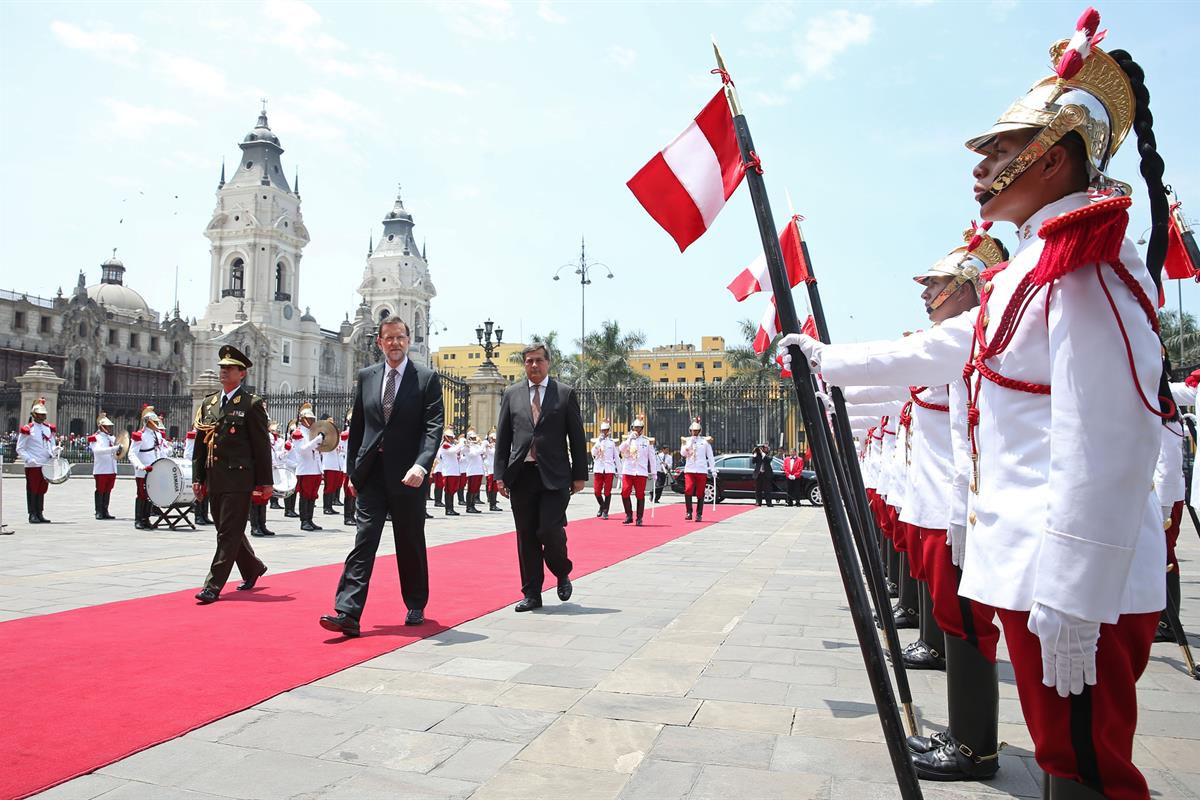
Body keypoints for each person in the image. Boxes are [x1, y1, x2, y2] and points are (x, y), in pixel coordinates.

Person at [789, 22, 1166, 796]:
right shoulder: (1034, 261)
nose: (983, 169)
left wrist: (1074, 582)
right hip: (1035, 563)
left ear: (1053, 156)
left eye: (1000, 152)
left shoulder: (1083, 257)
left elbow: (1109, 434)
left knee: (1091, 769)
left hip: (1069, 571)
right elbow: (943, 347)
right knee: (1065, 761)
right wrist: (826, 359)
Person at [784, 226, 1008, 782]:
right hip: (936, 502)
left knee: (967, 622)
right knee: (955, 615)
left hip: (956, 505)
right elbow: (888, 385)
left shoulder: (966, 330)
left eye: (935, 283)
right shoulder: (960, 334)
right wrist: (825, 374)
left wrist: (824, 360)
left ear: (964, 286)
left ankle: (975, 746)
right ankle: (968, 736)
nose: (925, 292)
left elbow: (902, 361)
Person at [320, 317, 443, 636]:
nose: (395, 343)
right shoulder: (368, 377)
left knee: (410, 540)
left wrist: (421, 464)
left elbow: (433, 428)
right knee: (364, 539)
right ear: (379, 342)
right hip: (372, 474)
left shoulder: (426, 379)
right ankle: (347, 611)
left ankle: (416, 602)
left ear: (409, 340)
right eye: (388, 338)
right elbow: (358, 428)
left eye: (400, 338)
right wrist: (353, 472)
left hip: (408, 476)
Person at [493, 341, 588, 611]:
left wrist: (579, 474)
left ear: (548, 363)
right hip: (521, 475)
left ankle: (562, 570)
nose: (534, 365)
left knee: (548, 529)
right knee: (526, 535)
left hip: (555, 476)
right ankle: (532, 593)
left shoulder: (564, 393)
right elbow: (504, 437)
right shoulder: (512, 394)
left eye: (539, 360)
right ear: (524, 365)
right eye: (529, 361)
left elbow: (577, 437)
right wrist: (500, 474)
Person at [191, 345, 272, 604]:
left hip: (239, 479)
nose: (224, 371)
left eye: (230, 368)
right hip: (215, 477)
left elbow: (261, 446)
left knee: (228, 532)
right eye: (222, 368)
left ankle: (213, 586)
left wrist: (265, 482)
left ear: (242, 374)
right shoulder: (209, 403)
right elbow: (200, 445)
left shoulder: (251, 404)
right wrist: (198, 477)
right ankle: (252, 567)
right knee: (226, 529)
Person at [16, 397, 58, 524]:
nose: (42, 417)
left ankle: (40, 512)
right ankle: (32, 513)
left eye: (43, 414)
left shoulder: (48, 428)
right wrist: (29, 459)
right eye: (39, 414)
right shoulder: (28, 429)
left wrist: (55, 450)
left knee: (42, 489)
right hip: (33, 464)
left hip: (45, 463)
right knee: (32, 489)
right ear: (34, 415)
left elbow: (51, 444)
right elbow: (20, 448)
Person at [128, 405, 166, 530]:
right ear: (148, 422)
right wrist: (140, 466)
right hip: (143, 470)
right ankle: (138, 519)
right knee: (142, 494)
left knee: (151, 495)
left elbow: (160, 451)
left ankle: (146, 518)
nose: (156, 424)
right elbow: (132, 453)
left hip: (154, 469)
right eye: (154, 422)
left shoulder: (158, 435)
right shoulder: (140, 435)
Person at [289, 403, 325, 532]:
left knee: (312, 495)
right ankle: (304, 521)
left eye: (312, 419)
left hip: (314, 468)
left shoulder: (312, 433)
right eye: (309, 419)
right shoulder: (298, 433)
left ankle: (310, 519)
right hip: (305, 469)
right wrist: (316, 441)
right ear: (303, 419)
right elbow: (302, 450)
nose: (311, 421)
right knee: (305, 495)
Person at [618, 416, 655, 526]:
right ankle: (629, 515)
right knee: (625, 492)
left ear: (642, 429)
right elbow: (621, 449)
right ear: (632, 428)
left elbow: (651, 458)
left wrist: (654, 472)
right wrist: (629, 439)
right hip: (628, 470)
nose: (637, 430)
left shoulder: (646, 441)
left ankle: (639, 518)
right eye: (635, 427)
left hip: (641, 471)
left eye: (639, 428)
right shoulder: (628, 440)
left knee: (640, 495)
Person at [680, 417, 715, 521]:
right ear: (690, 431)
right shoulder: (686, 440)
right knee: (688, 489)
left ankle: (699, 514)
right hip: (690, 469)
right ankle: (689, 512)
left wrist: (713, 469)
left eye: (696, 431)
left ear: (699, 431)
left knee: (700, 492)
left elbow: (710, 456)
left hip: (701, 469)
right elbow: (683, 453)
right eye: (692, 431)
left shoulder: (705, 442)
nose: (694, 432)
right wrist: (690, 444)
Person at [88, 411, 119, 520]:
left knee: (108, 490)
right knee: (100, 489)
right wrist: (113, 449)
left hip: (111, 467)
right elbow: (97, 451)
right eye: (108, 426)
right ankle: (98, 511)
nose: (110, 428)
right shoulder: (95, 438)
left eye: (110, 426)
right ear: (102, 427)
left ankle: (105, 510)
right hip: (101, 468)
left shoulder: (111, 438)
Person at [590, 419, 618, 518]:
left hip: (609, 469)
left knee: (607, 491)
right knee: (597, 491)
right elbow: (593, 453)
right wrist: (598, 444)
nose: (604, 432)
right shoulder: (597, 441)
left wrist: (619, 471)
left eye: (606, 430)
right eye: (602, 430)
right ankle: (602, 506)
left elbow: (617, 457)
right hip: (598, 468)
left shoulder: (612, 443)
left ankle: (605, 511)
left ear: (609, 430)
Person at [320, 414, 344, 517]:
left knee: (334, 486)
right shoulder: (323, 435)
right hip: (328, 464)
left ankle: (330, 506)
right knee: (328, 486)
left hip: (336, 464)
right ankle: (326, 507)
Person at [437, 428, 463, 516]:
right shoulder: (445, 445)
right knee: (448, 491)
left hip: (454, 471)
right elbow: (454, 451)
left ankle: (451, 508)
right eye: (450, 437)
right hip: (448, 472)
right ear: (446, 437)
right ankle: (448, 509)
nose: (452, 439)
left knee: (452, 491)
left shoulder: (451, 445)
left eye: (452, 437)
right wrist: (461, 442)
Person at [462, 429, 486, 514]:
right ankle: (469, 506)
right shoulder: (468, 447)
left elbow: (483, 452)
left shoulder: (476, 446)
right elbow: (474, 454)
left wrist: (482, 446)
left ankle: (473, 505)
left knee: (475, 489)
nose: (474, 440)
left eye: (474, 438)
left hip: (478, 470)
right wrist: (483, 445)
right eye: (472, 438)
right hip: (472, 471)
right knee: (471, 489)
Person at [484, 429, 502, 511]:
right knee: (492, 487)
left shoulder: (495, 446)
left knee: (495, 488)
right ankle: (492, 505)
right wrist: (487, 444)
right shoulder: (488, 447)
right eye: (494, 439)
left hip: (495, 469)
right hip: (491, 469)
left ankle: (494, 503)